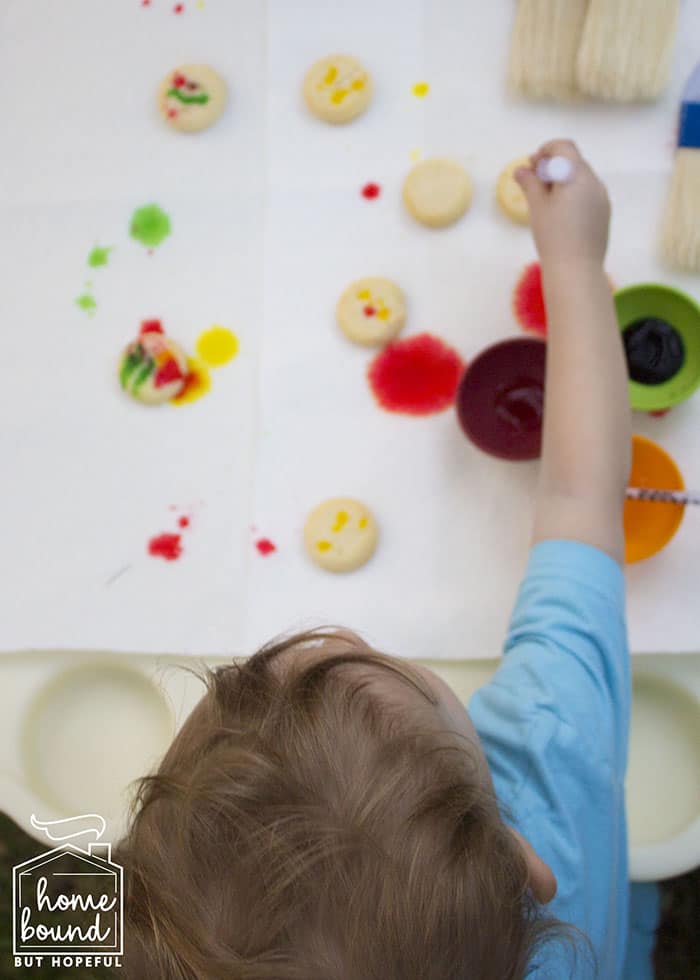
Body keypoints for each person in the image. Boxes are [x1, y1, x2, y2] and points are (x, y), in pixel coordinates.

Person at [116, 140, 646, 978]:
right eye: (391, 664)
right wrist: (577, 261)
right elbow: (584, 497)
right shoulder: (554, 750)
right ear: (528, 868)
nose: (343, 634)